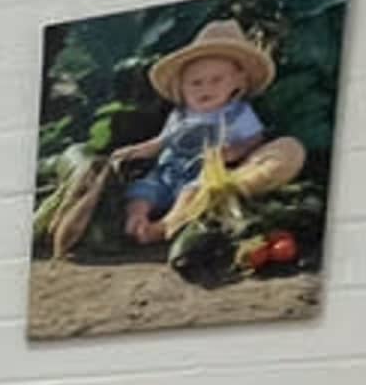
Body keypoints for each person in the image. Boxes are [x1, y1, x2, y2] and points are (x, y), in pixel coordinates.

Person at [119, 20, 307, 243]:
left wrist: (235, 151)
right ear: (181, 86)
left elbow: (255, 139)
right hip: (168, 172)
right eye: (195, 83)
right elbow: (162, 141)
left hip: (204, 171)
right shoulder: (180, 114)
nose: (205, 88)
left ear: (238, 81)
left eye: (216, 80)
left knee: (195, 193)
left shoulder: (237, 113)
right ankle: (136, 218)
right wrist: (138, 150)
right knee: (143, 189)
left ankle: (165, 225)